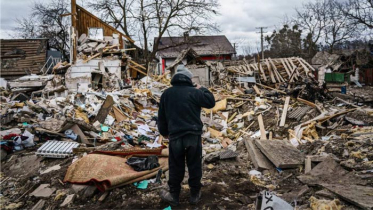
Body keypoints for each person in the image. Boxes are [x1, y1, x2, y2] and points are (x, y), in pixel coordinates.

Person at [157, 64, 215, 206]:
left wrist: (164, 132)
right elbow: (211, 102)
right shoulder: (194, 92)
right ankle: (194, 194)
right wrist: (201, 88)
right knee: (194, 165)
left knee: (175, 166)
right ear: (189, 79)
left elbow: (162, 117)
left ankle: (174, 196)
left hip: (175, 136)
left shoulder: (167, 94)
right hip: (193, 135)